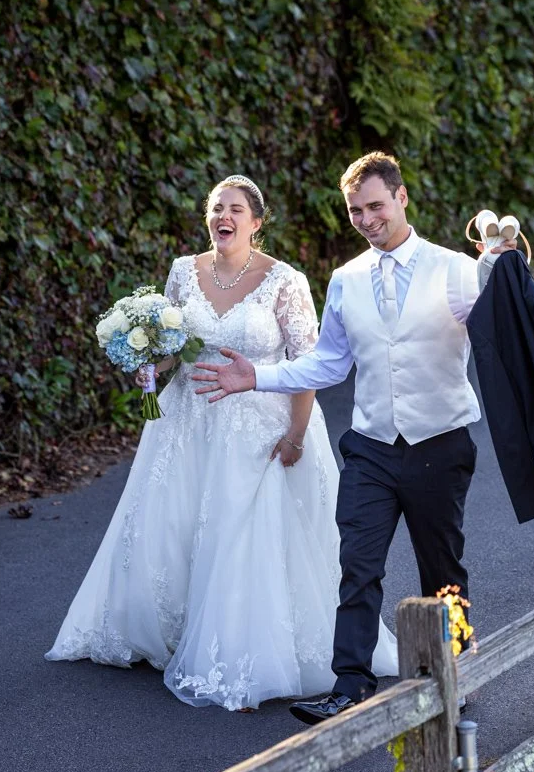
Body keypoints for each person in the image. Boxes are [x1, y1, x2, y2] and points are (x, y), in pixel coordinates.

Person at [46, 175, 398, 711]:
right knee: (175, 526)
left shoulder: (285, 281)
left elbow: (307, 367)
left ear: (256, 223)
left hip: (260, 429)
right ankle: (170, 632)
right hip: (187, 421)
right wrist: (146, 363)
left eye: (234, 209)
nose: (222, 217)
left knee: (239, 534)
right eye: (215, 209)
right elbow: (174, 347)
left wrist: (296, 435)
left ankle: (246, 648)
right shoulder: (183, 272)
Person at [192, 153, 494, 724]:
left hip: (439, 442)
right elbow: (327, 363)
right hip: (372, 447)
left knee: (442, 568)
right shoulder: (348, 279)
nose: (366, 218)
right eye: (356, 210)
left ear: (402, 198)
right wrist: (255, 377)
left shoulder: (454, 268)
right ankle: (349, 684)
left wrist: (498, 269)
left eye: (375, 206)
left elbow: (501, 322)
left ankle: (456, 668)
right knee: (356, 565)